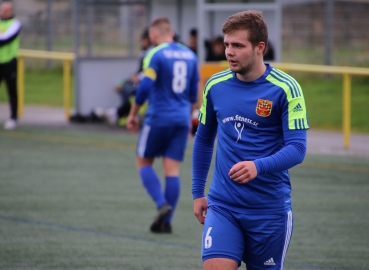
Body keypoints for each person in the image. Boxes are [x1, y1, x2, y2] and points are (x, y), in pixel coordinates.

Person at [192, 10, 309, 270]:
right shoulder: (215, 85)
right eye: (226, 45)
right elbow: (203, 140)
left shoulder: (286, 89)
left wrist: (258, 166)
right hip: (223, 205)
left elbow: (298, 148)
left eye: (237, 45)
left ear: (260, 48)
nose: (229, 52)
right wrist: (198, 192)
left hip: (269, 211)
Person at [127, 17, 199, 234]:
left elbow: (145, 86)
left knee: (144, 162)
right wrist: (188, 120)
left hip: (158, 117)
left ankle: (161, 204)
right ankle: (166, 222)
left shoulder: (155, 54)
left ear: (155, 34)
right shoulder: (190, 55)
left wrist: (132, 113)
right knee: (172, 170)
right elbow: (194, 93)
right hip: (180, 119)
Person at [93, 28, 152, 126]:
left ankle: (117, 114)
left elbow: (150, 71)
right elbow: (140, 70)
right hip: (142, 81)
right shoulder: (144, 52)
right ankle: (117, 114)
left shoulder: (153, 52)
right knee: (125, 87)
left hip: (148, 84)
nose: (143, 42)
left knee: (135, 91)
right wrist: (130, 78)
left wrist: (140, 77)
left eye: (144, 39)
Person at [0, 1, 21, 130]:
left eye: (6, 10)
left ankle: (13, 117)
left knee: (12, 90)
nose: (3, 12)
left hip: (9, 62)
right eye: (2, 9)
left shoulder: (15, 24)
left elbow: (6, 39)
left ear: (11, 11)